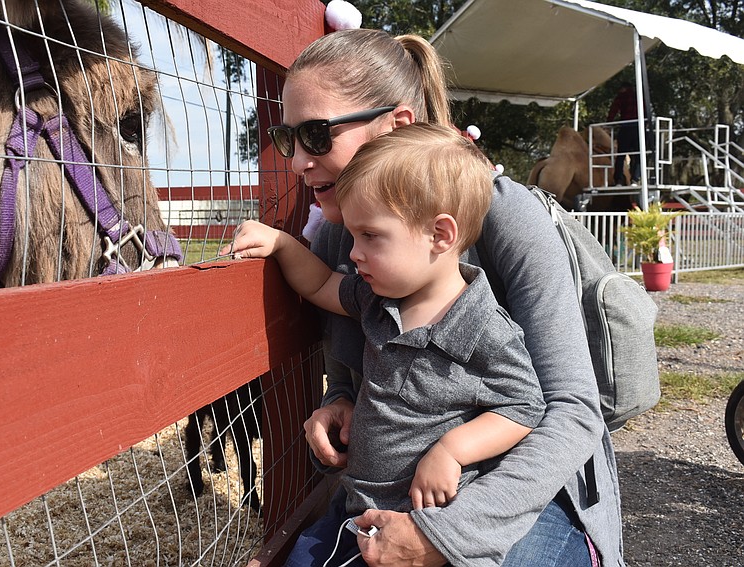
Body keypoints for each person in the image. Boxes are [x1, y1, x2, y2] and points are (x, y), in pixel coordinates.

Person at [255, 28, 622, 567]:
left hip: (521, 486)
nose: (297, 163)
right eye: (288, 139)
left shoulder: (506, 217)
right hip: (394, 492)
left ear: (396, 124)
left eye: (316, 135)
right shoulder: (342, 235)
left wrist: (442, 537)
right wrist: (339, 403)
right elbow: (355, 363)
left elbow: (571, 410)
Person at [228, 123, 547, 566]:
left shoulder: (484, 328)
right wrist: (281, 243)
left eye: (371, 236)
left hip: (426, 523)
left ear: (440, 235)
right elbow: (321, 282)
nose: (354, 253)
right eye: (354, 236)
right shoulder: (377, 300)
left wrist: (451, 451)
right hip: (357, 512)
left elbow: (524, 407)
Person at [608, 82, 641, 185]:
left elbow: (614, 110)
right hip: (638, 128)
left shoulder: (621, 96)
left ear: (623, 88)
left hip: (625, 127)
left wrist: (609, 122)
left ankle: (618, 179)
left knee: (621, 155)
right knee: (638, 155)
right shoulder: (639, 95)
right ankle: (635, 179)